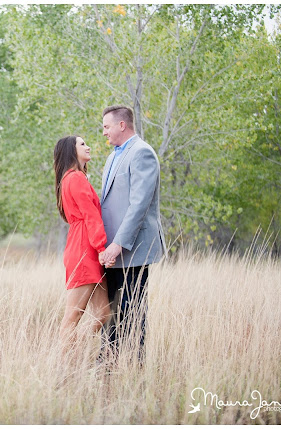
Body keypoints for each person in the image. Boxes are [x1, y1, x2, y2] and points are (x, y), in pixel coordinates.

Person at [98, 105, 166, 363]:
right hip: (112, 252)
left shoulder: (142, 153)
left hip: (133, 250)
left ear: (122, 125)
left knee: (133, 311)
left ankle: (133, 368)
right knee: (113, 311)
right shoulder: (112, 156)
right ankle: (110, 364)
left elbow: (139, 205)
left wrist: (118, 244)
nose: (104, 132)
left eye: (106, 126)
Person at [53, 135, 114, 357]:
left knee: (102, 313)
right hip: (83, 249)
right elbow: (90, 216)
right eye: (82, 144)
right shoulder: (75, 178)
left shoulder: (74, 178)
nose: (87, 147)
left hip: (85, 246)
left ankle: (73, 353)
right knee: (73, 315)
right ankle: (64, 364)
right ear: (71, 150)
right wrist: (102, 248)